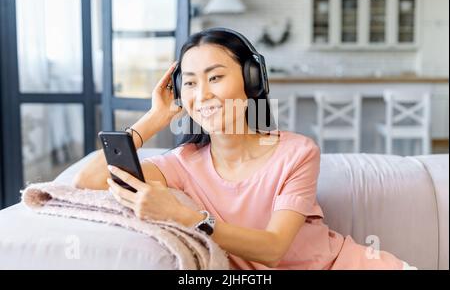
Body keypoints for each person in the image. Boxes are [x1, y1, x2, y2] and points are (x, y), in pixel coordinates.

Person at [73, 28, 415, 270]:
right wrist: (153, 118)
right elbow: (87, 180)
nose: (202, 93)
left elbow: (273, 248)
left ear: (252, 81)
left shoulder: (296, 152)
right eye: (190, 82)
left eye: (215, 77)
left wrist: (183, 216)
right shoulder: (182, 164)